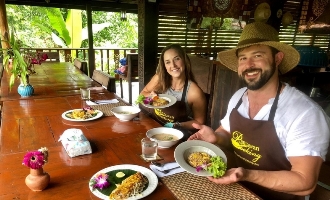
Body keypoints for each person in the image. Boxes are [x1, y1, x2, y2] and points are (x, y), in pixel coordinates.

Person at [188, 22, 330, 200]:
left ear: (277, 59)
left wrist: (247, 174)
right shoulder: (239, 97)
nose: (249, 65)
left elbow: (305, 182)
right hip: (238, 189)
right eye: (242, 58)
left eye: (257, 55)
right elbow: (226, 131)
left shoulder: (305, 114)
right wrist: (216, 137)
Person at [140, 44, 207, 136]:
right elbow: (142, 94)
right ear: (164, 66)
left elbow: (199, 122)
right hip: (152, 125)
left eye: (177, 59)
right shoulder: (159, 78)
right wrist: (153, 97)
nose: (173, 65)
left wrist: (177, 125)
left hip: (175, 134)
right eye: (168, 62)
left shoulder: (194, 92)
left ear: (184, 60)